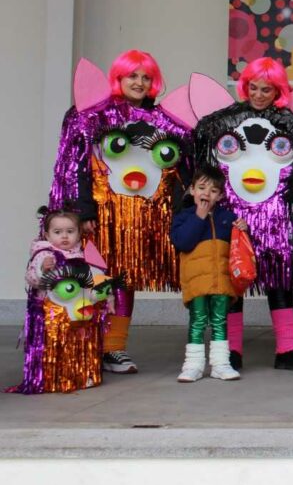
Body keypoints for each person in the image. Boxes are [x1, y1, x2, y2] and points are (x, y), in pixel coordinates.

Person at [49, 51, 194, 375]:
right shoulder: (91, 117)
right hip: (100, 216)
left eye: (145, 77)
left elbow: (180, 169)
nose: (139, 83)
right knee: (91, 278)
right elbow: (76, 167)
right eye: (133, 76)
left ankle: (114, 348)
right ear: (118, 78)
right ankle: (80, 348)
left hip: (142, 217)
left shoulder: (165, 121)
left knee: (124, 280)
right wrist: (82, 211)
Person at [191, 57, 293, 372]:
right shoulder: (219, 124)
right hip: (234, 215)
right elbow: (204, 163)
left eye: (267, 89)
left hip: (277, 217)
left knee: (280, 280)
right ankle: (231, 351)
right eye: (254, 87)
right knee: (233, 279)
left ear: (278, 90)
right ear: (245, 86)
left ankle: (288, 348)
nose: (260, 94)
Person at [9, 208, 113, 394]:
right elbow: (32, 278)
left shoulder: (82, 255)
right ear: (47, 235)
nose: (64, 237)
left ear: (79, 234)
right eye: (58, 232)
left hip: (79, 313)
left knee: (79, 346)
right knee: (54, 349)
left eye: (70, 232)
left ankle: (81, 375)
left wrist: (106, 295)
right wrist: (43, 269)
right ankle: (52, 378)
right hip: (53, 316)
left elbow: (97, 278)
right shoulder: (44, 255)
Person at [170, 165, 248, 382]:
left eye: (213, 190)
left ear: (220, 195)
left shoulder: (227, 217)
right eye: (201, 188)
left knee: (219, 320)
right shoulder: (184, 217)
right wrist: (199, 217)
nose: (206, 193)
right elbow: (182, 242)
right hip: (196, 282)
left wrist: (243, 229)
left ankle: (221, 364)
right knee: (197, 320)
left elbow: (238, 247)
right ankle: (193, 365)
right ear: (192, 190)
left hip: (222, 281)